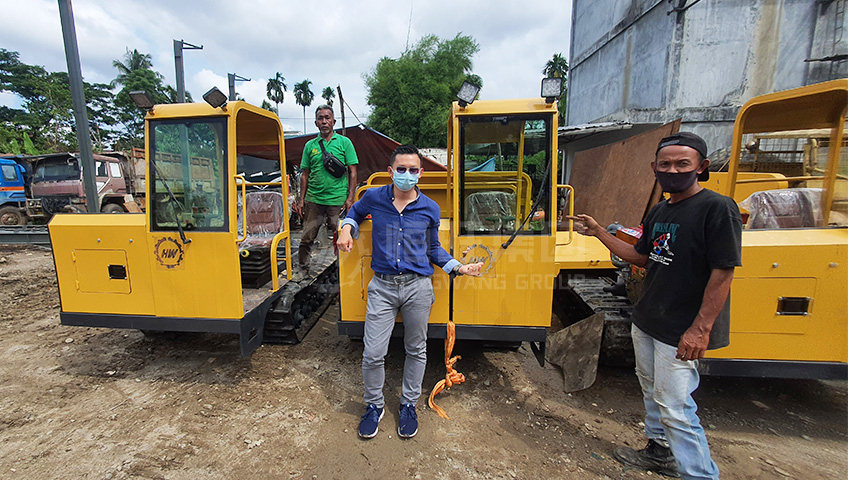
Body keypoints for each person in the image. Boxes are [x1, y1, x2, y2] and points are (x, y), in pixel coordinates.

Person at [567, 132, 742, 479]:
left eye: (682, 164)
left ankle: (699, 474)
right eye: (666, 164)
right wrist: (600, 231)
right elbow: (641, 257)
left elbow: (723, 272)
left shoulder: (717, 209)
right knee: (651, 388)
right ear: (654, 167)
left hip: (681, 326)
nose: (672, 170)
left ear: (702, 167)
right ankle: (660, 451)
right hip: (648, 318)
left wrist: (700, 328)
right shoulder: (660, 211)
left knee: (676, 406)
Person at [336, 144, 483, 440]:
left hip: (418, 288)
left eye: (412, 170)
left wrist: (459, 267)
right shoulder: (374, 197)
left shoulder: (430, 208)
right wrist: (345, 229)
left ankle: (408, 405)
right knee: (373, 353)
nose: (407, 174)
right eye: (401, 169)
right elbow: (354, 212)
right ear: (391, 172)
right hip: (382, 287)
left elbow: (433, 249)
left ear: (421, 173)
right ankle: (374, 406)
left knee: (416, 349)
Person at [298, 105, 358, 275]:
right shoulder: (310, 146)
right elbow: (305, 175)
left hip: (337, 200)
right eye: (320, 118)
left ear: (333, 121)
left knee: (342, 235)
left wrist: (350, 198)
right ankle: (302, 269)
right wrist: (301, 200)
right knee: (307, 238)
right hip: (313, 200)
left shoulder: (344, 143)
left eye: (327, 118)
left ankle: (346, 272)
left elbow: (353, 172)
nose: (324, 121)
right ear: (316, 123)